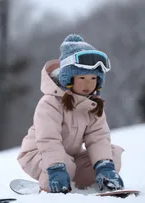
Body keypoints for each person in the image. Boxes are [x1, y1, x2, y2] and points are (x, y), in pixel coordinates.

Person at [17, 34, 125, 194]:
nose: (88, 84)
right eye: (82, 77)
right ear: (68, 78)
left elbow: (98, 138)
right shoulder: (50, 103)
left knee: (112, 155)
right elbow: (49, 140)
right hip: (38, 154)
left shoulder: (93, 105)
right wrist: (56, 167)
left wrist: (104, 167)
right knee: (66, 166)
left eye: (93, 78)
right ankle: (52, 179)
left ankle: (87, 179)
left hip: (71, 158)